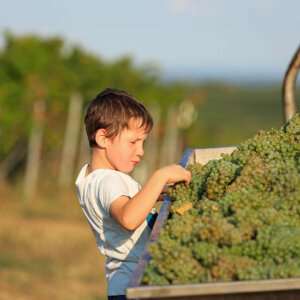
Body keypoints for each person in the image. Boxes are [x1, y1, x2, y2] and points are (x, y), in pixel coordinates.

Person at [75, 88, 191, 300]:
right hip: (133, 285)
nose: (141, 151)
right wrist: (160, 176)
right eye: (133, 142)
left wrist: (156, 194)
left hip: (122, 286)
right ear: (103, 138)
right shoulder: (109, 180)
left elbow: (123, 205)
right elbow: (128, 218)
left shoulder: (90, 179)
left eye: (143, 142)